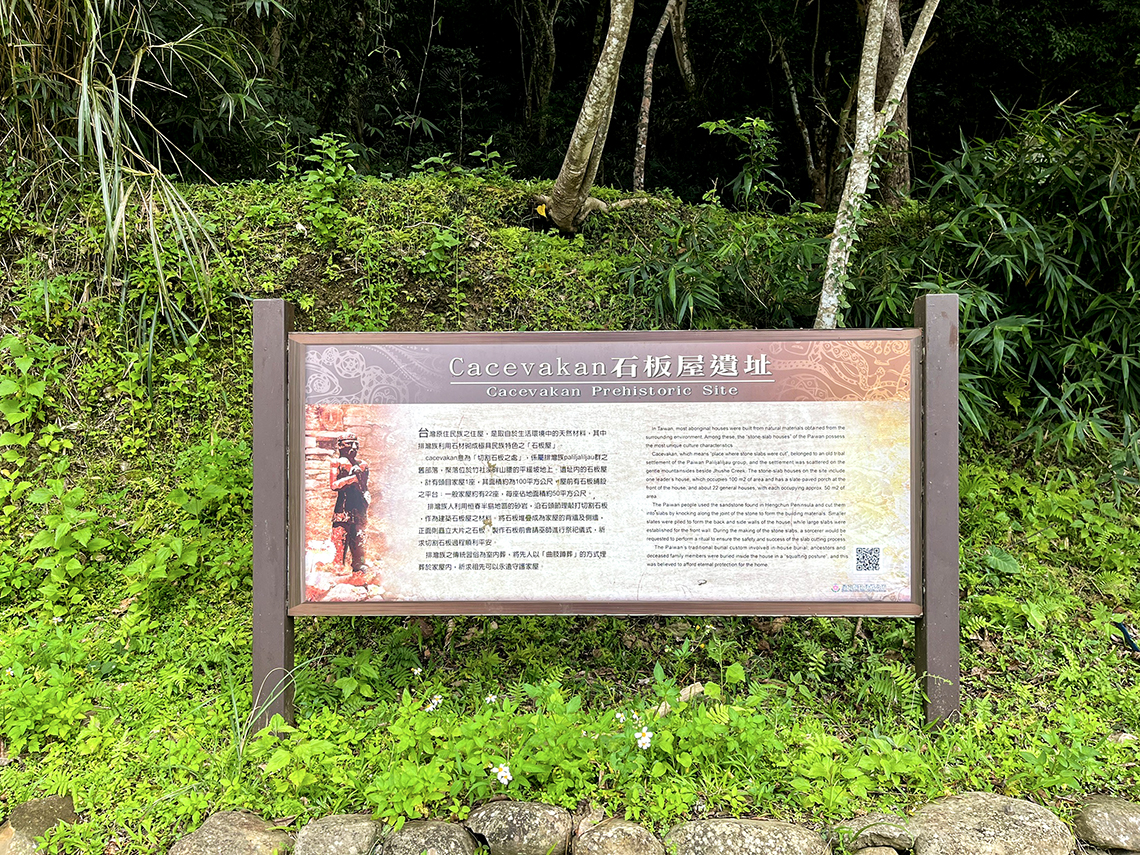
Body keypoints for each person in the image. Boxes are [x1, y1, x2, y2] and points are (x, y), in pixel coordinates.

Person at [329, 433, 370, 571]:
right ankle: (338, 566)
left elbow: (364, 487)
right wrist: (352, 478)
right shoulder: (337, 463)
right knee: (340, 536)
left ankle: (359, 564)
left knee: (358, 537)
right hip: (343, 508)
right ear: (341, 446)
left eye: (355, 444)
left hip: (358, 506)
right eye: (349, 444)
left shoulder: (363, 465)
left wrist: (365, 495)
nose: (353, 447)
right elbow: (334, 485)